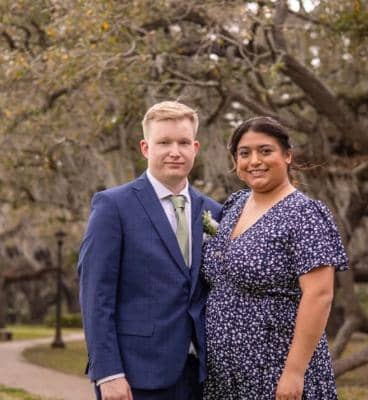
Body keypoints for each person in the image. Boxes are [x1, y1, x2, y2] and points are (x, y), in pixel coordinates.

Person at [78, 101, 222, 400]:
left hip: (203, 376)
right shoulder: (113, 206)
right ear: (145, 148)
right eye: (164, 142)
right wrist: (108, 373)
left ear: (195, 148)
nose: (175, 151)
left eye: (184, 142)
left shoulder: (215, 212)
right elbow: (96, 295)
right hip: (136, 375)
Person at [201, 116, 349, 400]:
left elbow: (319, 295)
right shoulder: (234, 205)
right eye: (245, 153)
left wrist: (294, 372)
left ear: (287, 155)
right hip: (225, 376)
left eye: (265, 151)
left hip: (276, 370)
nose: (254, 161)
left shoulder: (304, 214)